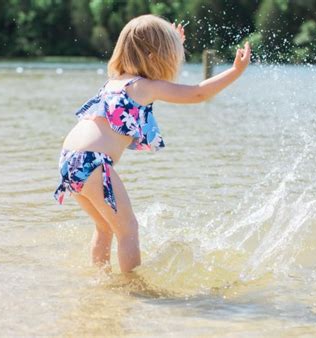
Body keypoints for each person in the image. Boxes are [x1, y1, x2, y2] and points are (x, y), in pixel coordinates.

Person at [53, 14, 251, 273]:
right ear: (157, 57)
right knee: (128, 230)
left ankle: (99, 280)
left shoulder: (114, 82)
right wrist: (235, 71)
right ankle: (133, 289)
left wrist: (170, 42)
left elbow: (148, 55)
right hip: (93, 162)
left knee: (104, 227)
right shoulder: (145, 86)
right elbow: (198, 92)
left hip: (68, 159)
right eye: (170, 54)